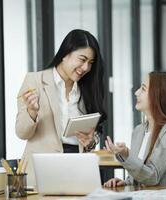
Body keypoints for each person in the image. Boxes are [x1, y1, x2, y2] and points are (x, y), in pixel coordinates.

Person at [15, 29, 107, 186]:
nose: (86, 68)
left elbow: (90, 139)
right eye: (82, 59)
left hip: (76, 170)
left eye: (90, 63)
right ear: (65, 54)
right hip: (40, 172)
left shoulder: (86, 90)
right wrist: (31, 112)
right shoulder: (34, 81)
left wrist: (89, 142)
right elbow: (22, 133)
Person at [104, 72, 166, 187]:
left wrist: (127, 155)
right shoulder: (138, 131)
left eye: (143, 89)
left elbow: (152, 176)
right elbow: (140, 174)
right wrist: (126, 182)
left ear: (159, 95)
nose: (136, 92)